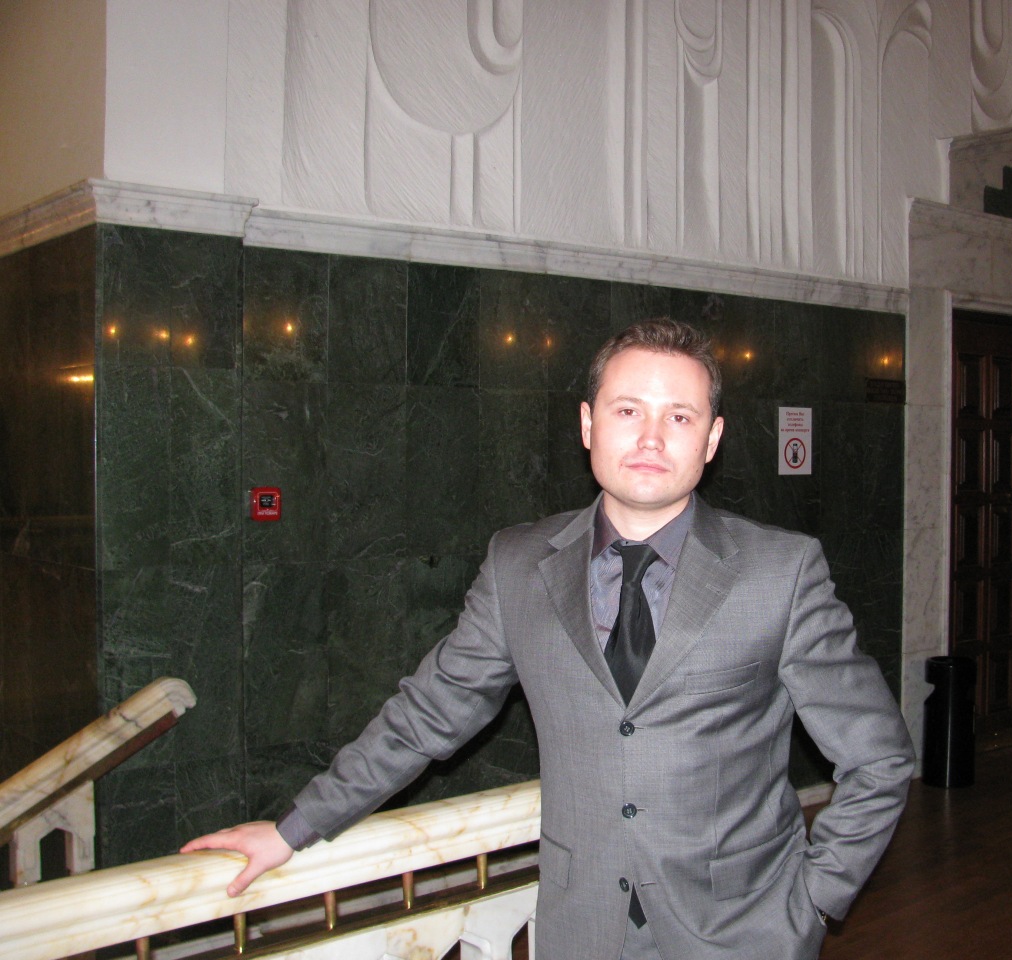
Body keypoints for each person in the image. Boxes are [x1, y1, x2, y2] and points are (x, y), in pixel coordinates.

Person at [183, 318, 915, 959]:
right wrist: (294, 828)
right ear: (588, 425)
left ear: (712, 439)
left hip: (743, 933)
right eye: (627, 410)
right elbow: (429, 713)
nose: (651, 437)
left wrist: (814, 901)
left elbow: (878, 758)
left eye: (680, 416)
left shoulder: (780, 572)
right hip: (581, 926)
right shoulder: (518, 566)